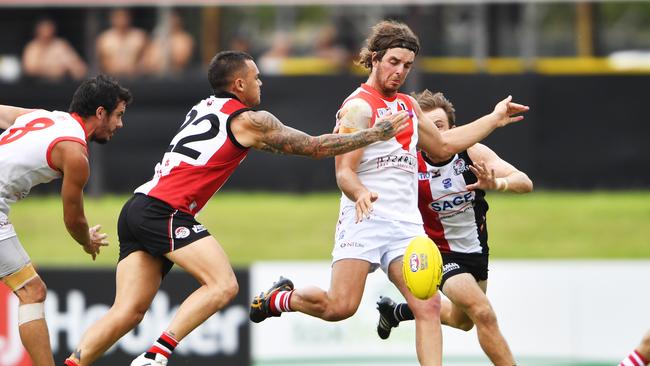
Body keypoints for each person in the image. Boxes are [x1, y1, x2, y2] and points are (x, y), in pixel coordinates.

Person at [62, 50, 408, 366]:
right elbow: (314, 147)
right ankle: (156, 355)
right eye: (256, 77)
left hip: (137, 208)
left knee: (128, 311)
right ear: (239, 83)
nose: (260, 83)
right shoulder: (248, 121)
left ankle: (74, 363)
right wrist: (373, 134)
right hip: (165, 211)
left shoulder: (203, 107)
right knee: (223, 285)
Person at [249, 20, 529, 366]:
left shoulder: (410, 108)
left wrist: (493, 118)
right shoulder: (358, 107)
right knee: (340, 307)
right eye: (394, 62)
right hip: (364, 220)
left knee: (427, 306)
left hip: (406, 227)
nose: (400, 71)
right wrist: (361, 194)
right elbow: (344, 173)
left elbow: (442, 145)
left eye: (407, 65)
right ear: (375, 58)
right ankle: (283, 298)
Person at [374, 90, 533, 366]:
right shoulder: (411, 162)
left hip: (476, 251)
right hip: (439, 255)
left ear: (454, 131)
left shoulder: (472, 153)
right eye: (428, 128)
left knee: (464, 322)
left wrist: (498, 184)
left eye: (441, 127)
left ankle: (397, 313)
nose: (436, 135)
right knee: (483, 313)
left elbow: (525, 182)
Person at [0, 74, 132, 366]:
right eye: (118, 116)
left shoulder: (46, 118)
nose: (120, 125)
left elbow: (3, 113)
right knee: (32, 292)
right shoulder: (74, 153)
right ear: (100, 113)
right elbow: (73, 219)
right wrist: (87, 241)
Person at [22, 18, 88, 81]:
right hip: (37, 87)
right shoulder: (32, 47)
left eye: (48, 29)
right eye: (43, 30)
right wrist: (54, 70)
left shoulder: (60, 46)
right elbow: (29, 69)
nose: (46, 33)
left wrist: (70, 70)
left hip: (59, 87)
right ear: (37, 31)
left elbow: (80, 69)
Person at [140, 10, 195, 75]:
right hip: (152, 76)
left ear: (178, 20)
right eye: (167, 19)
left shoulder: (185, 39)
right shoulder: (157, 37)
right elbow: (145, 61)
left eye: (173, 18)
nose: (170, 21)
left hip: (175, 78)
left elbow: (181, 61)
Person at [96, 8, 147, 77]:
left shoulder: (139, 36)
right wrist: (117, 70)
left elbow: (147, 59)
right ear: (112, 19)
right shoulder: (105, 38)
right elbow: (102, 62)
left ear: (129, 18)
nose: (121, 20)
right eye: (118, 17)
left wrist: (136, 68)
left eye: (124, 17)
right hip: (111, 79)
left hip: (136, 78)